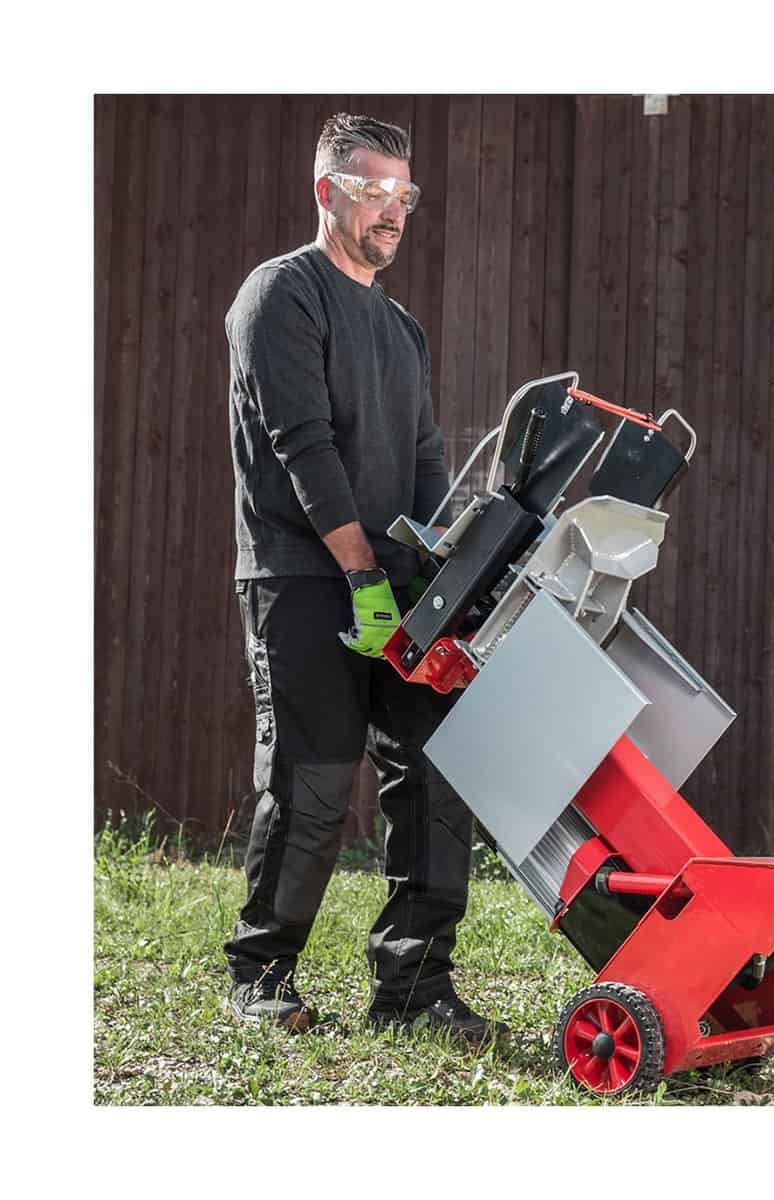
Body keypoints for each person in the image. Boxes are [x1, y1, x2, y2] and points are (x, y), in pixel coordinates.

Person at [222, 112, 505, 1043]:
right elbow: (302, 445)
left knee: (433, 771)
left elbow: (425, 460)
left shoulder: (401, 329)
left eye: (403, 194)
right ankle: (260, 976)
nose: (392, 210)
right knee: (312, 778)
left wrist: (438, 575)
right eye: (372, 190)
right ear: (326, 191)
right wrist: (359, 574)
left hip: (396, 586)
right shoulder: (281, 295)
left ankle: (413, 990)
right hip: (304, 579)